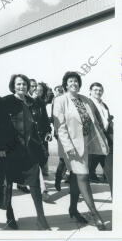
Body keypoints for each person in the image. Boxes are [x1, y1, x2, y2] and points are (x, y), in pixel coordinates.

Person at [53, 71, 109, 230]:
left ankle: (72, 209)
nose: (74, 83)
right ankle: (95, 214)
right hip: (70, 146)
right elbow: (60, 126)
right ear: (65, 84)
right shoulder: (60, 100)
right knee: (83, 176)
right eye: (70, 81)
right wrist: (68, 147)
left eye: (76, 81)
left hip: (86, 143)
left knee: (76, 177)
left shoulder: (84, 99)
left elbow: (94, 122)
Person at [0, 74, 51, 230]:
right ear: (13, 86)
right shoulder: (5, 102)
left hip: (31, 150)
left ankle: (41, 219)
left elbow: (44, 121)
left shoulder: (35, 102)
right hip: (11, 150)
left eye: (24, 84)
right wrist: (1, 148)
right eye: (18, 84)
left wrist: (47, 131)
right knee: (8, 184)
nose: (22, 87)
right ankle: (9, 215)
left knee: (34, 184)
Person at [29, 82, 52, 202]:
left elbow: (45, 120)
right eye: (35, 89)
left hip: (41, 138)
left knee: (41, 161)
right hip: (29, 139)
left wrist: (48, 132)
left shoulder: (41, 104)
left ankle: (24, 183)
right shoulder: (25, 101)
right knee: (35, 164)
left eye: (41, 91)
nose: (38, 91)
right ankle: (43, 190)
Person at [88, 82, 112, 184]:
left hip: (105, 134)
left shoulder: (104, 105)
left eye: (100, 90)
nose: (98, 92)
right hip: (94, 137)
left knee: (104, 158)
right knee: (91, 160)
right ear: (90, 91)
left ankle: (106, 176)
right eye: (95, 90)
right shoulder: (88, 103)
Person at [52, 85, 68, 191]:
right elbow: (55, 119)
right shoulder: (56, 100)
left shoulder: (67, 99)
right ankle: (57, 180)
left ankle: (67, 178)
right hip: (61, 133)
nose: (60, 92)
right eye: (58, 90)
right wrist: (58, 132)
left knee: (69, 159)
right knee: (63, 159)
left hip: (71, 134)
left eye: (61, 90)